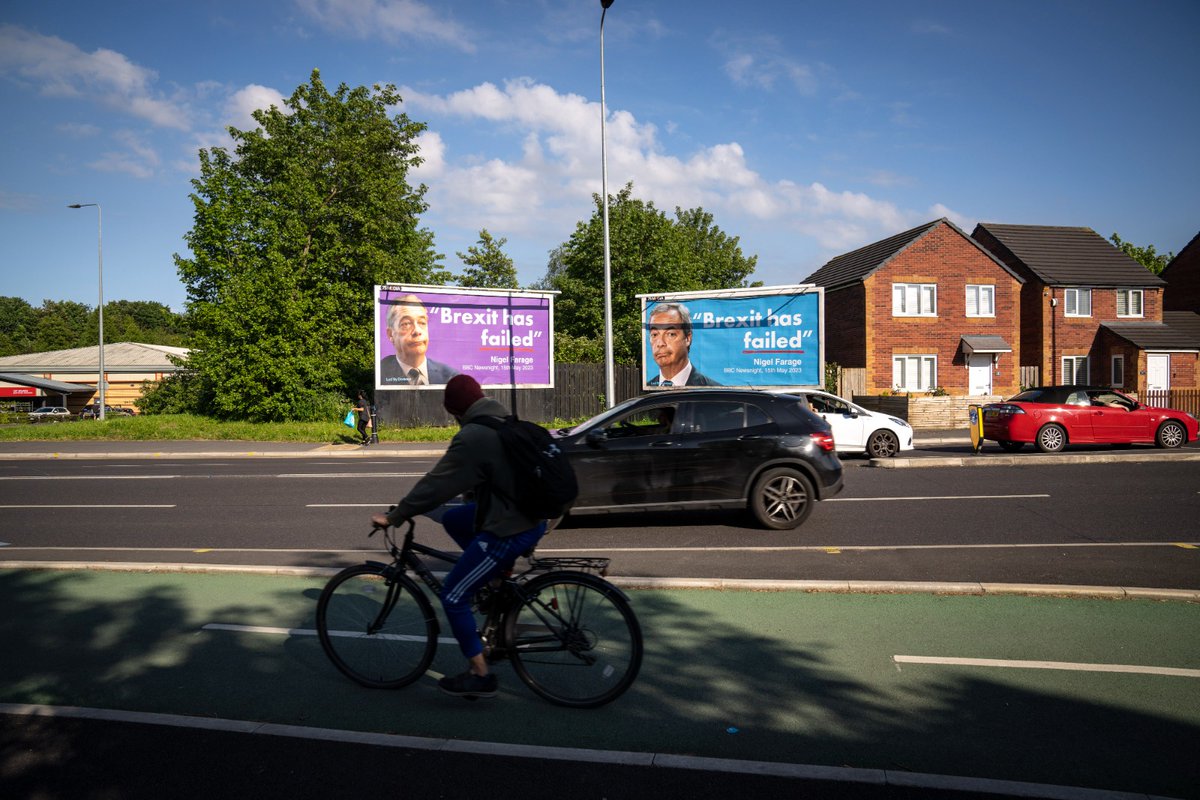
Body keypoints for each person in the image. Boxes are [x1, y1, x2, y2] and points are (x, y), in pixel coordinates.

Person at [370, 374, 547, 700]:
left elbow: (437, 483)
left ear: (455, 410)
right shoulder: (503, 421)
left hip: (509, 527)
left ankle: (480, 675)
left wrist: (397, 515)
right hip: (527, 517)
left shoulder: (474, 435)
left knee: (452, 595)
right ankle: (495, 582)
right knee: (453, 518)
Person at [380, 294, 460, 385]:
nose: (417, 331)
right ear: (391, 334)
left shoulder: (450, 377)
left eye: (422, 322)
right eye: (406, 324)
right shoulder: (380, 373)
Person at [646, 302, 719, 387]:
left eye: (671, 334)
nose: (660, 343)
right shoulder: (644, 392)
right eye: (654, 335)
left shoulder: (712, 390)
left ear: (688, 338)